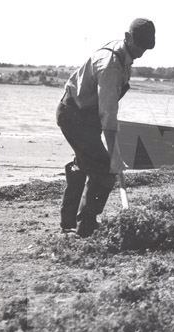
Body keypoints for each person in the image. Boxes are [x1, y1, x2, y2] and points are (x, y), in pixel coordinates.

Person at [57, 18, 155, 237]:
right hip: (74, 115)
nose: (141, 51)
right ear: (128, 37)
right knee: (104, 168)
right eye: (139, 45)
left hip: (85, 116)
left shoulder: (123, 56)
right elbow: (108, 114)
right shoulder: (111, 65)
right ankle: (85, 225)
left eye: (145, 47)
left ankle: (69, 224)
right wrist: (115, 156)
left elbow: (106, 112)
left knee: (85, 164)